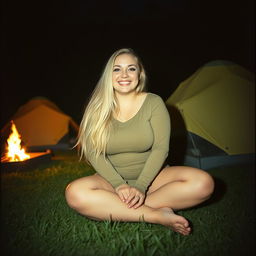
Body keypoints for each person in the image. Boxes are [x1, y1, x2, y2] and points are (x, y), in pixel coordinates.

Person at [65, 48, 214, 236]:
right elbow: (93, 153)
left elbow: (161, 149)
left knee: (203, 183)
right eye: (117, 69)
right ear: (108, 75)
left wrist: (141, 186)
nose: (124, 75)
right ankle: (156, 215)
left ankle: (114, 208)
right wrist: (119, 185)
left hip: (154, 178)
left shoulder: (153, 102)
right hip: (110, 180)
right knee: (74, 193)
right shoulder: (96, 108)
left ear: (140, 74)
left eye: (131, 69)